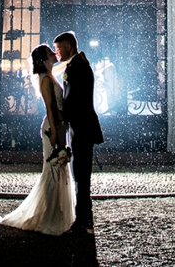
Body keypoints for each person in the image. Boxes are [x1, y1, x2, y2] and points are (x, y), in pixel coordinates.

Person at [0, 45, 76, 235]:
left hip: (60, 127)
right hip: (52, 127)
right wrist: (54, 131)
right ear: (43, 60)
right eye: (50, 53)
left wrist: (72, 60)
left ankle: (59, 212)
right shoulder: (45, 80)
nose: (54, 54)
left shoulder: (51, 74)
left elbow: (64, 67)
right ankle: (50, 214)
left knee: (60, 168)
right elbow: (49, 108)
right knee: (53, 168)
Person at [54, 31, 104, 235]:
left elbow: (76, 98)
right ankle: (85, 220)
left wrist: (61, 114)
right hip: (80, 126)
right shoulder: (75, 65)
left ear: (68, 47)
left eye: (58, 49)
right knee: (81, 175)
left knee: (81, 176)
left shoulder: (78, 67)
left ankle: (82, 221)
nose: (57, 54)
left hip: (82, 127)